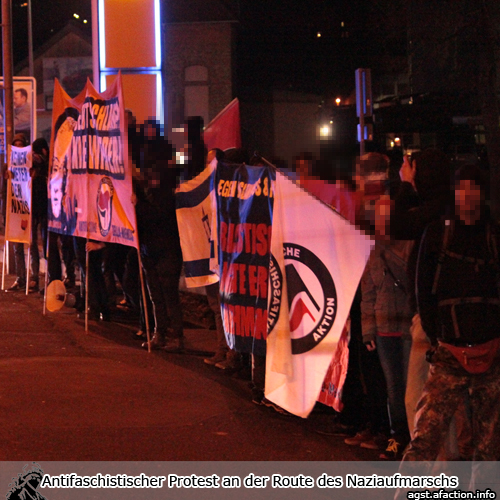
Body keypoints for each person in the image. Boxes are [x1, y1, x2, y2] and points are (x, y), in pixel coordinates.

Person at [402, 165, 500, 461]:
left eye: (474, 188)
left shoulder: (493, 234)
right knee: (426, 437)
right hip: (448, 352)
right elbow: (421, 288)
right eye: (462, 188)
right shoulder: (438, 232)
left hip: (491, 353)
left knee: (488, 446)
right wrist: (438, 338)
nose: (468, 195)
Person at [360, 198, 413, 459]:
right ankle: (397, 436)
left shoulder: (408, 245)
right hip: (383, 330)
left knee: (410, 387)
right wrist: (368, 330)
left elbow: (410, 279)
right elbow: (368, 293)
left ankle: (415, 440)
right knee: (393, 388)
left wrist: (388, 250)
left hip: (407, 329)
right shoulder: (373, 251)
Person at [6, 133, 29, 292]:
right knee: (17, 246)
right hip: (14, 209)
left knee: (31, 245)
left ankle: (32, 279)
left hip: (27, 209)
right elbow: (4, 189)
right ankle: (21, 278)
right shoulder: (8, 167)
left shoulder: (30, 165)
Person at [28, 138, 49, 292]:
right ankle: (35, 276)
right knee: (33, 243)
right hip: (34, 209)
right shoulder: (32, 166)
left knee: (47, 245)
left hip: (45, 210)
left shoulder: (48, 166)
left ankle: (48, 277)